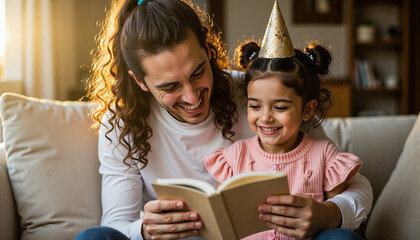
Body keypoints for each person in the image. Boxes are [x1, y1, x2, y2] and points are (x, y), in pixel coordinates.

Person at [75, 0, 372, 239]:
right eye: (170, 87)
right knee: (93, 237)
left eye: (197, 73)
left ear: (207, 50)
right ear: (139, 82)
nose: (192, 97)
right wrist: (144, 229)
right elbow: (116, 224)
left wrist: (329, 213)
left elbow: (356, 185)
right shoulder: (122, 122)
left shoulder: (258, 96)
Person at [205, 39, 363, 240]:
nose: (265, 117)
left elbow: (332, 221)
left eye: (279, 107)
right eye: (255, 106)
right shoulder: (235, 156)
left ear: (307, 110)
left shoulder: (324, 154)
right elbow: (222, 224)